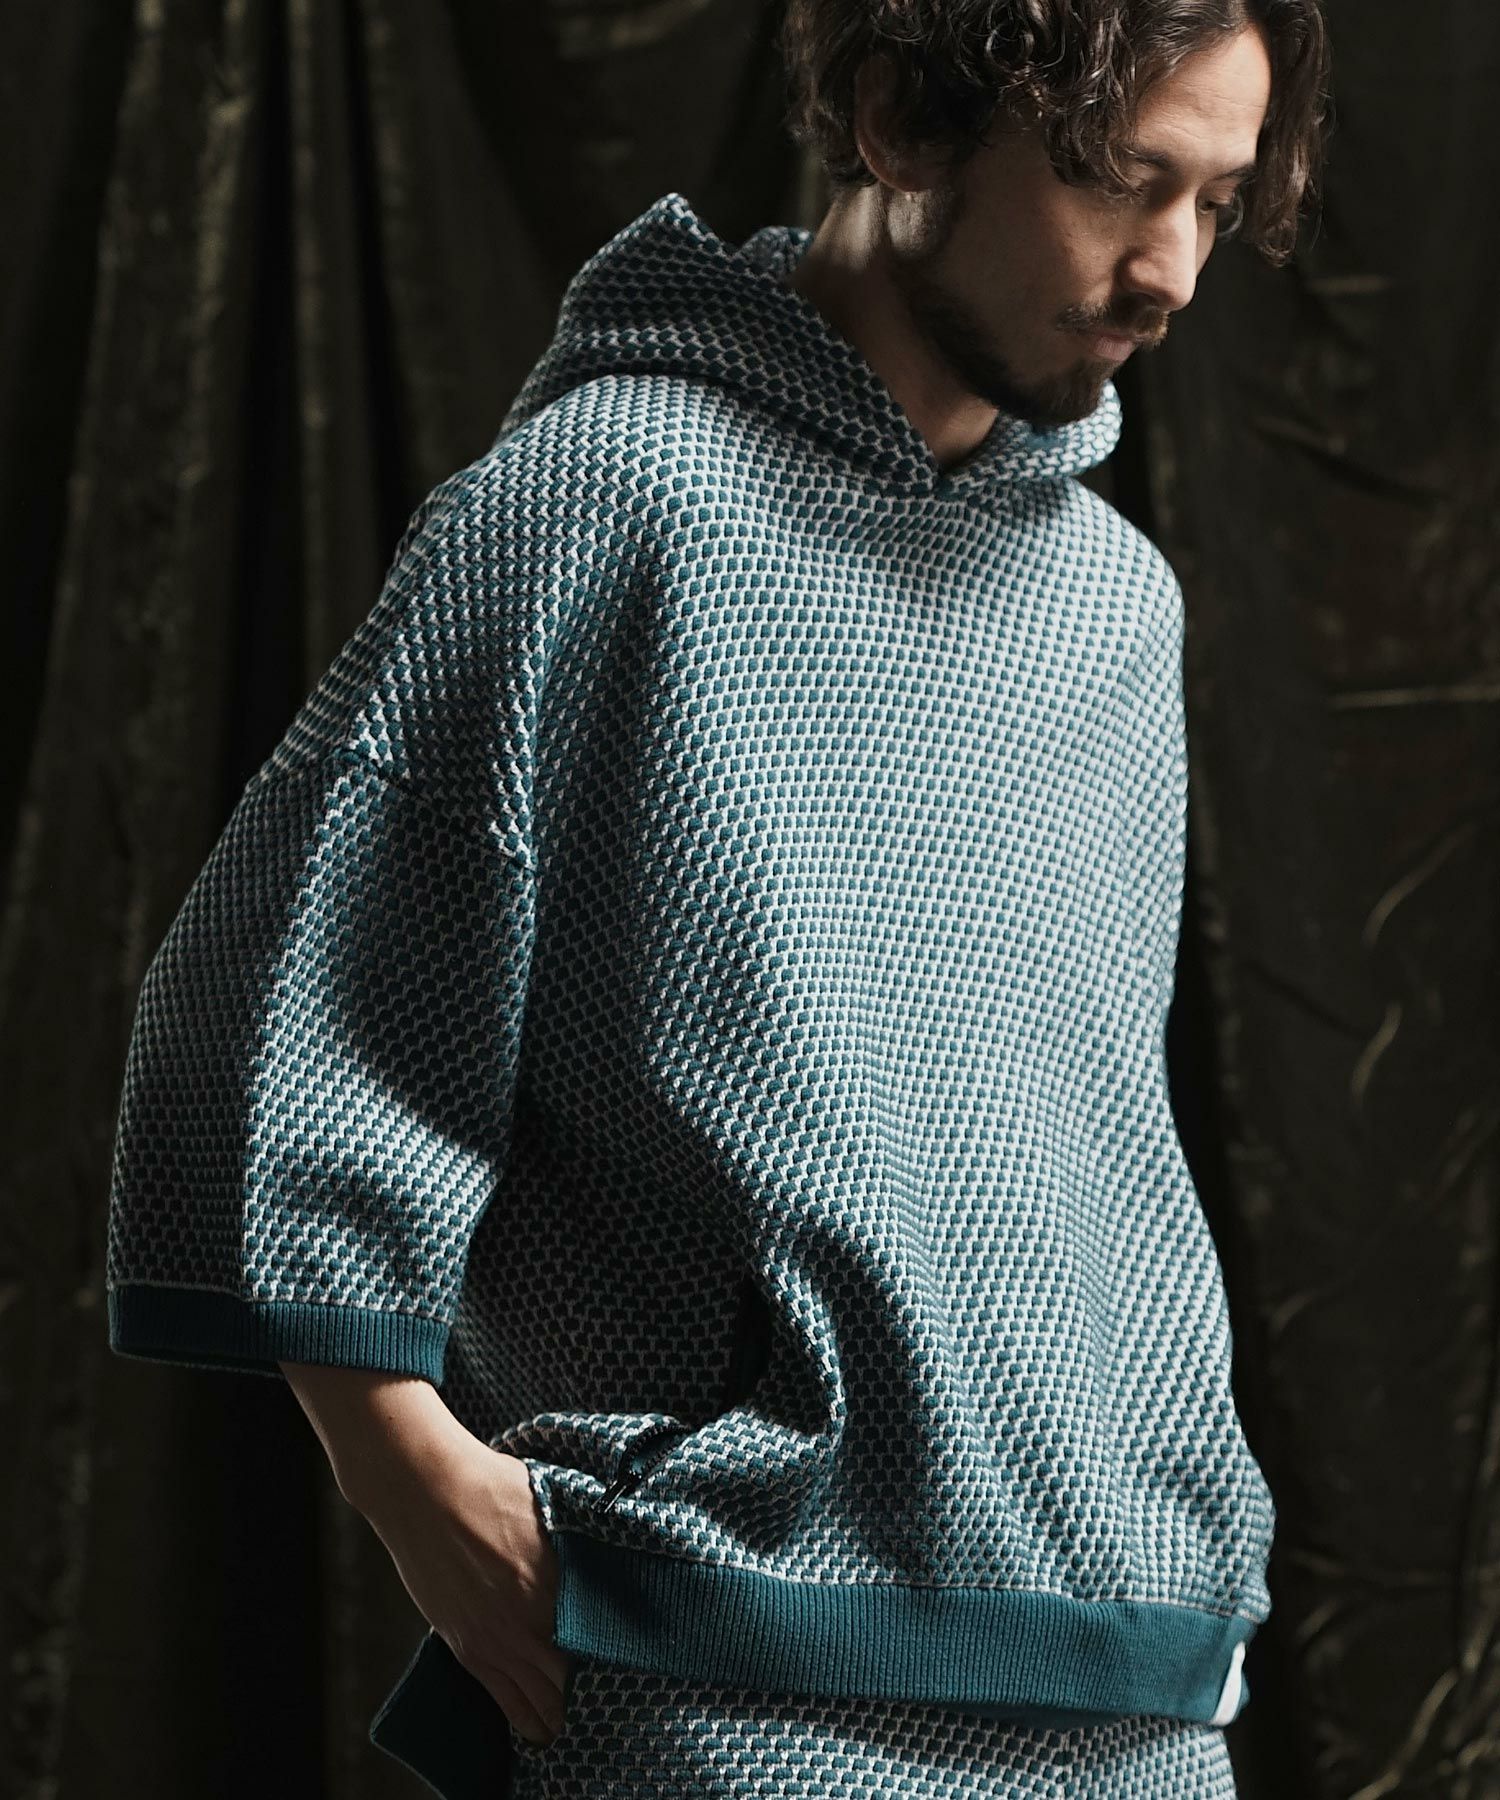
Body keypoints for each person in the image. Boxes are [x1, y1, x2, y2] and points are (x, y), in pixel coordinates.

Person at [105, 1, 1330, 1795]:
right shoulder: (602, 504)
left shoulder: (1117, 610)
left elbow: (1073, 1159)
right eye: (1120, 182)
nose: (1174, 271)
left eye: (1215, 203)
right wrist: (411, 1480)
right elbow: (285, 1002)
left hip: (1124, 1664)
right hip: (711, 1656)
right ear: (901, 121)